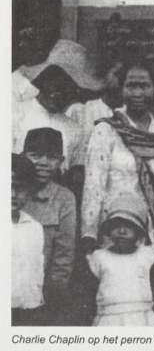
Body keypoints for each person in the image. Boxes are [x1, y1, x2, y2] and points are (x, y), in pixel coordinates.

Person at [81, 62, 154, 323]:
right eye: (131, 85)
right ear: (121, 90)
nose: (137, 92)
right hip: (116, 232)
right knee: (119, 307)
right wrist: (89, 233)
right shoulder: (107, 130)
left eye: (144, 85)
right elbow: (93, 183)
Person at [22, 128, 77, 326]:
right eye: (35, 155)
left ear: (61, 162)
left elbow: (64, 255)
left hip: (43, 295)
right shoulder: (11, 192)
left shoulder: (64, 198)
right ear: (23, 156)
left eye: (51, 157)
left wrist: (52, 296)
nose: (43, 163)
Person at [87, 194, 154, 326]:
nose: (122, 231)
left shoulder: (146, 255)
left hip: (141, 320)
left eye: (129, 226)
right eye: (117, 225)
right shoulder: (100, 257)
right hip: (109, 321)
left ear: (139, 232)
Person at [12, 65, 82, 173]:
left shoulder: (73, 128)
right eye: (55, 92)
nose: (59, 98)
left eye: (66, 93)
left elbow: (73, 167)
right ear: (43, 85)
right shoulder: (17, 114)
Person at [12, 153, 45, 326]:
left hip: (29, 311)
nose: (12, 194)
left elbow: (36, 271)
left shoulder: (35, 227)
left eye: (19, 188)